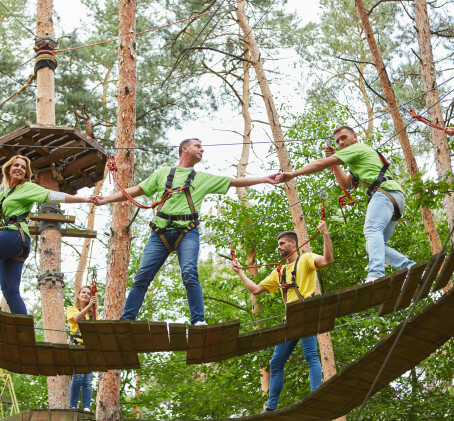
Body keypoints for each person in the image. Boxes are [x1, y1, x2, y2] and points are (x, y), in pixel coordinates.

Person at [91, 138, 281, 325]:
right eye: (198, 146)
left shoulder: (203, 178)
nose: (202, 150)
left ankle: (198, 320)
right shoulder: (163, 174)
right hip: (160, 233)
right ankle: (127, 319)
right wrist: (106, 199)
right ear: (185, 149)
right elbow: (137, 190)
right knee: (142, 276)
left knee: (190, 272)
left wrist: (265, 178)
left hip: (187, 233)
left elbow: (235, 181)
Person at [279, 126, 414, 282]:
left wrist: (293, 174)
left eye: (344, 138)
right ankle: (410, 267)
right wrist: (335, 164)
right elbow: (346, 184)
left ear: (355, 137)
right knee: (373, 245)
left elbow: (321, 163)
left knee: (371, 230)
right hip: (393, 196)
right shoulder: (356, 156)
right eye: (338, 141)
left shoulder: (357, 147)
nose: (341, 143)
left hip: (384, 193)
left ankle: (376, 273)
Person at [232, 221, 333, 412]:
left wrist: (326, 235)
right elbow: (255, 289)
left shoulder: (306, 259)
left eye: (282, 243)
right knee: (276, 362)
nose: (278, 247)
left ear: (293, 244)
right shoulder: (278, 271)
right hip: (290, 319)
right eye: (278, 244)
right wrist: (240, 273)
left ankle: (316, 396)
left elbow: (328, 260)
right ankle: (270, 408)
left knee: (311, 355)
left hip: (306, 313)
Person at [0, 155, 91, 314]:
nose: (19, 169)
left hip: (15, 235)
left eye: (23, 167)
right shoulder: (4, 194)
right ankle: (23, 334)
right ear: (8, 168)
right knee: (10, 291)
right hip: (12, 241)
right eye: (16, 165)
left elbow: (53, 195)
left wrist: (84, 199)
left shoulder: (27, 187)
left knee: (10, 291)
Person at [67, 286, 97, 412]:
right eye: (83, 293)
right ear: (78, 296)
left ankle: (86, 407)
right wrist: (89, 306)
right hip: (77, 345)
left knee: (88, 380)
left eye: (88, 293)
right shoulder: (72, 309)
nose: (86, 295)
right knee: (78, 376)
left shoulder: (93, 315)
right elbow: (76, 319)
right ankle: (73, 405)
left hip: (89, 347)